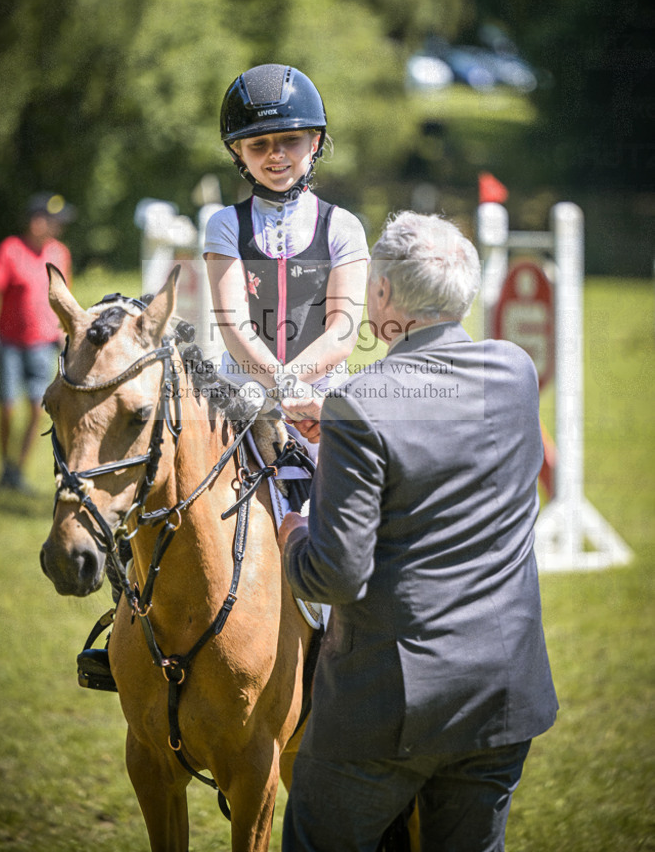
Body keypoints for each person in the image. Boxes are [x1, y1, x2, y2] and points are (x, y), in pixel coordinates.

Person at [277, 210, 558, 852]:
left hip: (390, 705)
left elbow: (336, 574)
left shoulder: (363, 405)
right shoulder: (515, 372)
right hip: (503, 694)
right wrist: (344, 428)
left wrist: (293, 532)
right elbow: (435, 425)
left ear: (381, 296)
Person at [203, 63, 368, 419]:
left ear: (315, 141)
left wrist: (286, 387)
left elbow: (342, 332)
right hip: (241, 394)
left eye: (290, 139)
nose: (276, 154)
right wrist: (271, 386)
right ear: (238, 152)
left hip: (320, 396)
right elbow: (233, 324)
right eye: (258, 145)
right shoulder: (225, 225)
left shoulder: (343, 226)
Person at [0, 192, 75, 492]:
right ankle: (6, 464)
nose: (58, 227)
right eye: (53, 221)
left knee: (37, 407)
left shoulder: (60, 253)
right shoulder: (11, 250)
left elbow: (64, 299)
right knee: (6, 405)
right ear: (36, 221)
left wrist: (65, 331)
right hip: (9, 343)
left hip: (42, 344)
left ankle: (17, 469)